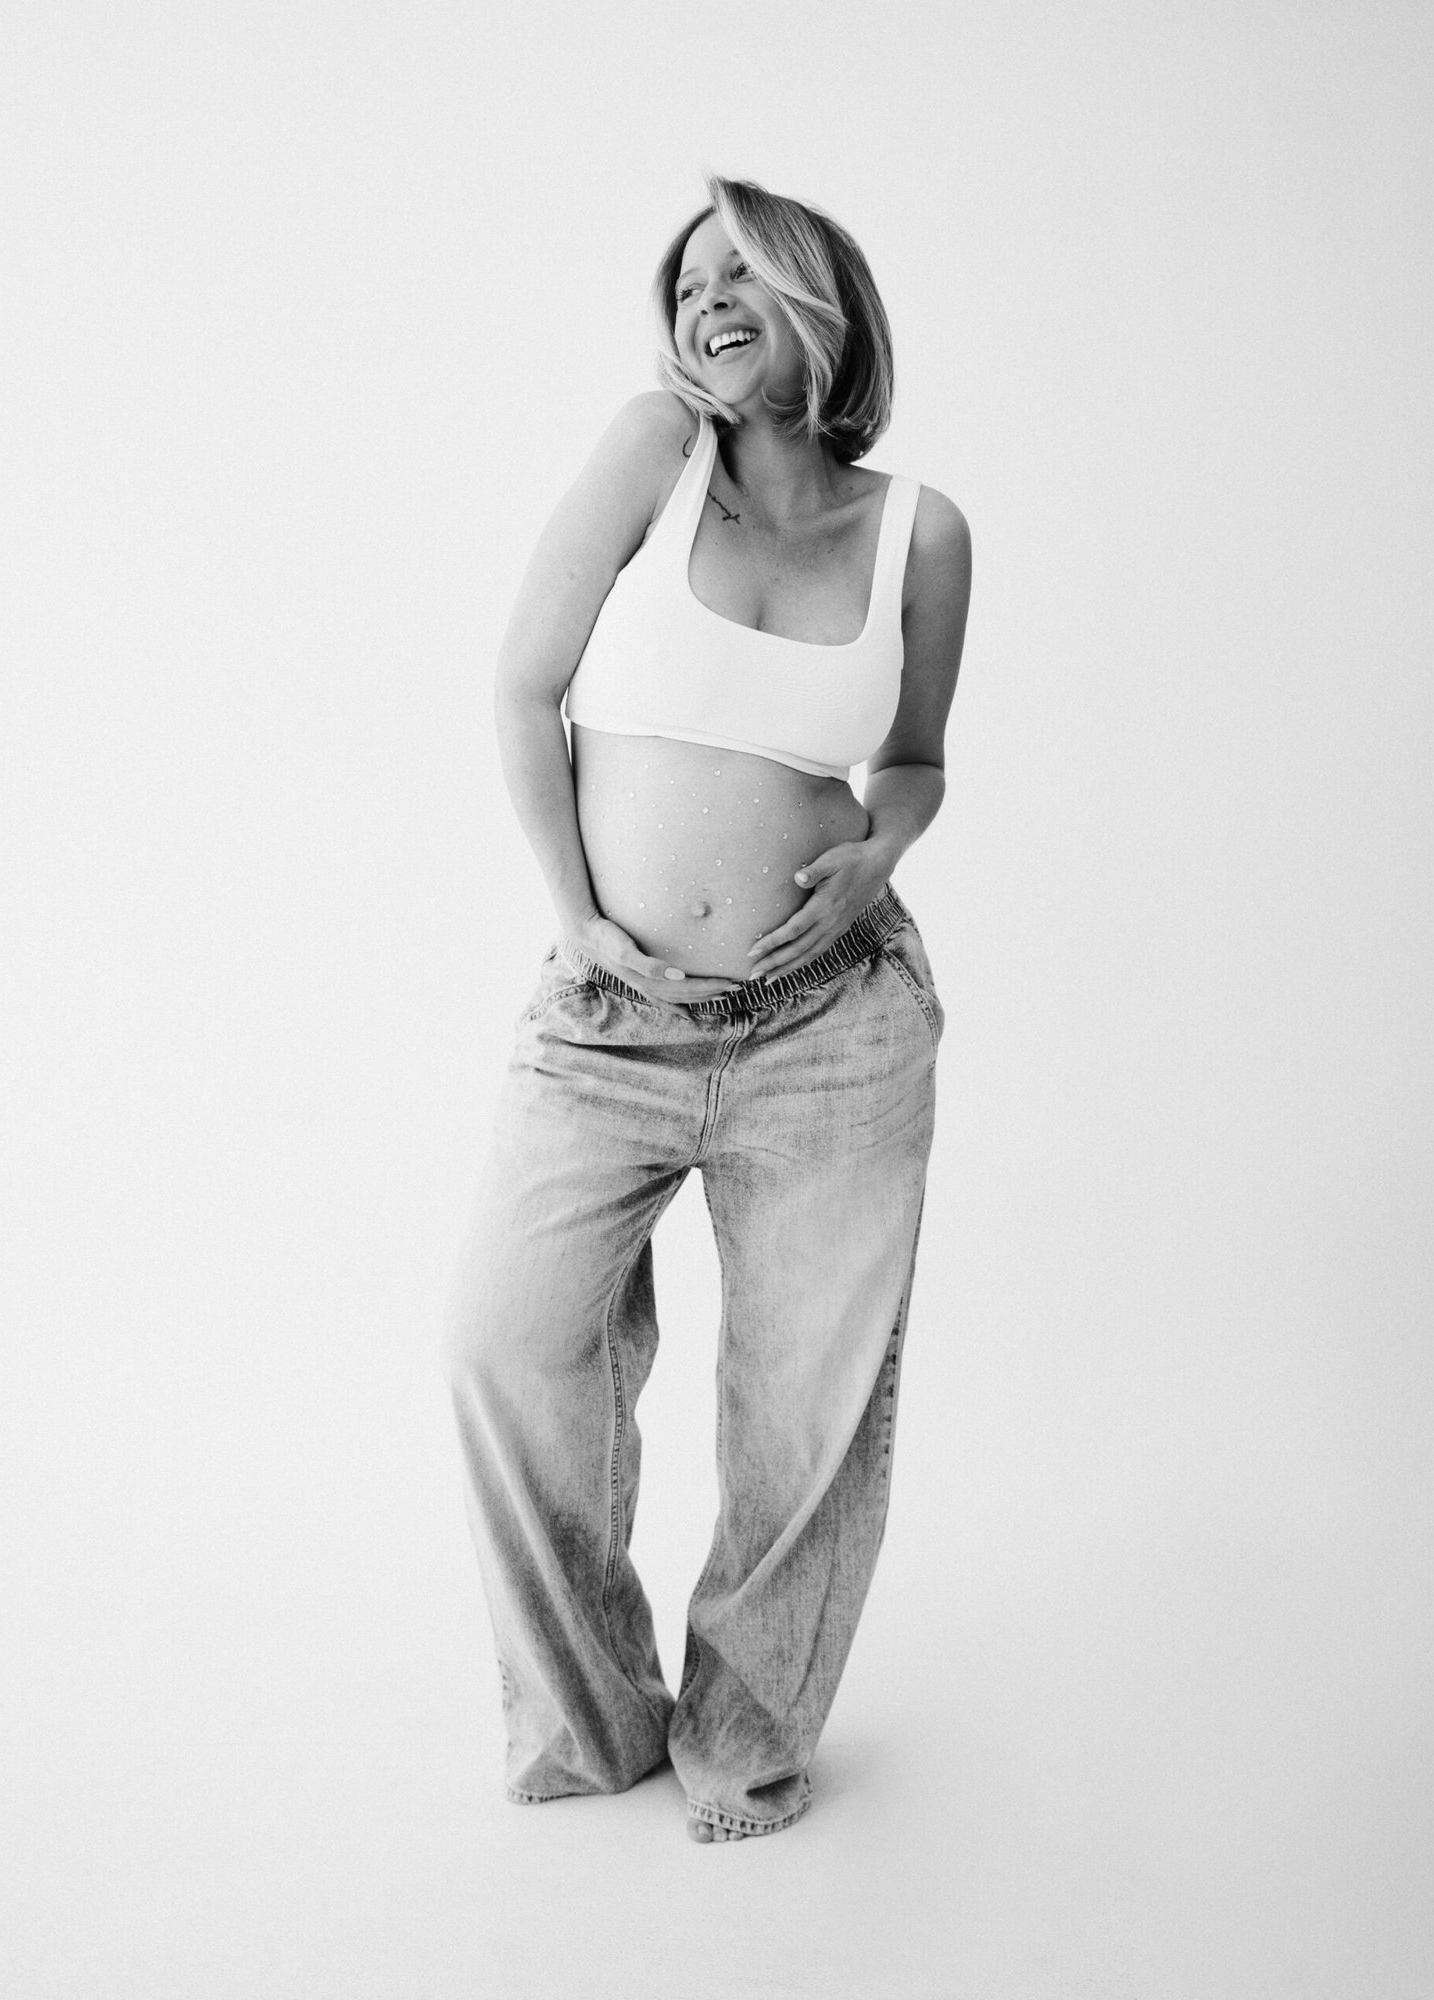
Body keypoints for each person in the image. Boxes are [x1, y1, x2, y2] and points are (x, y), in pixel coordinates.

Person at [442, 175, 972, 1843]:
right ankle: (592, 1722)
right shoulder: (654, 452)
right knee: (507, 1340)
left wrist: (881, 851)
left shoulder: (922, 532)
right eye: (688, 281)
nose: (707, 300)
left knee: (806, 1414)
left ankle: (746, 1742)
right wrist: (579, 919)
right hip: (610, 1015)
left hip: (835, 1026)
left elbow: (915, 761)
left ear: (827, 301)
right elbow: (524, 684)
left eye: (744, 270)